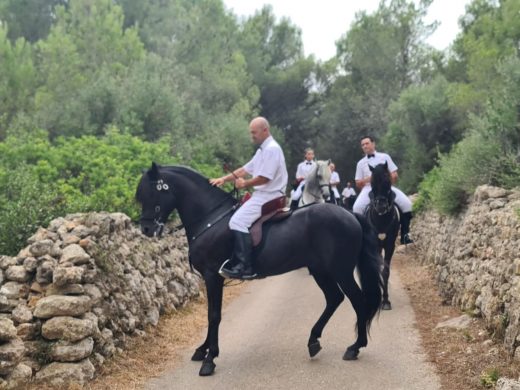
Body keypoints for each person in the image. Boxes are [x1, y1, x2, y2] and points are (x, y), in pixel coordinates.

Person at [210, 117, 288, 279]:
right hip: (263, 194)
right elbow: (244, 169)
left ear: (265, 130)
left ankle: (245, 266)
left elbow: (265, 178)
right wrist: (223, 179)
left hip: (269, 195)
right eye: (251, 132)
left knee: (237, 221)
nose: (252, 135)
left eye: (254, 132)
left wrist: (245, 184)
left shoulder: (271, 149)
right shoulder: (262, 150)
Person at [353, 136, 414, 244]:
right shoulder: (360, 163)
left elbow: (395, 175)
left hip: (386, 187)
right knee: (357, 208)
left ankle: (405, 234)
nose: (365, 146)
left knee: (407, 204)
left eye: (367, 143)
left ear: (373, 144)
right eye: (362, 145)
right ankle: (361, 237)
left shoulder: (385, 157)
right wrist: (371, 179)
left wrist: (384, 178)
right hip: (369, 188)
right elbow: (358, 183)